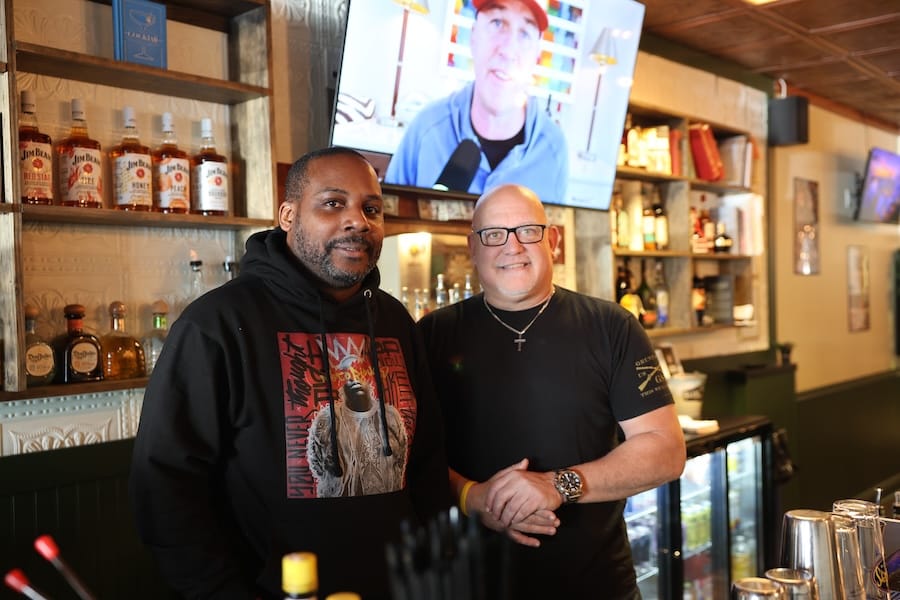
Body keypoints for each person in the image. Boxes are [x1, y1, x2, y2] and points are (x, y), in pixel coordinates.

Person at [129, 146, 449, 600]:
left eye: (371, 209)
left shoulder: (395, 320)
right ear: (288, 215)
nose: (358, 221)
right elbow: (166, 485)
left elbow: (427, 463)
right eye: (333, 203)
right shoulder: (216, 324)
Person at [418, 184, 687, 598]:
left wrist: (559, 485)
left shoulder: (611, 326)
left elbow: (666, 450)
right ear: (473, 248)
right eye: (494, 234)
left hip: (597, 587)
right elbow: (412, 456)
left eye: (527, 231)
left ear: (553, 241)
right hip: (468, 585)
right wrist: (474, 497)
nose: (512, 247)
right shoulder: (432, 335)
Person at [384, 0, 569, 204]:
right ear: (473, 36)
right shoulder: (425, 128)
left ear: (537, 56)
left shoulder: (554, 150)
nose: (508, 50)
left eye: (525, 33)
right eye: (497, 23)